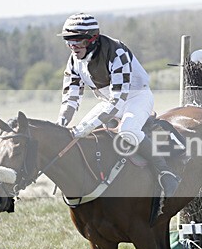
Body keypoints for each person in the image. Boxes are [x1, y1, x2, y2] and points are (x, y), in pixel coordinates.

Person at [56, 12, 179, 198]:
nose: (73, 46)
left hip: (136, 97)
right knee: (77, 134)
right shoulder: (74, 60)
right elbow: (71, 98)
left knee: (126, 131)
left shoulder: (116, 52)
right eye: (68, 41)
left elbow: (117, 101)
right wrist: (61, 124)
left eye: (78, 41)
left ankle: (165, 172)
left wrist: (87, 127)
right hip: (108, 101)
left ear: (92, 38)